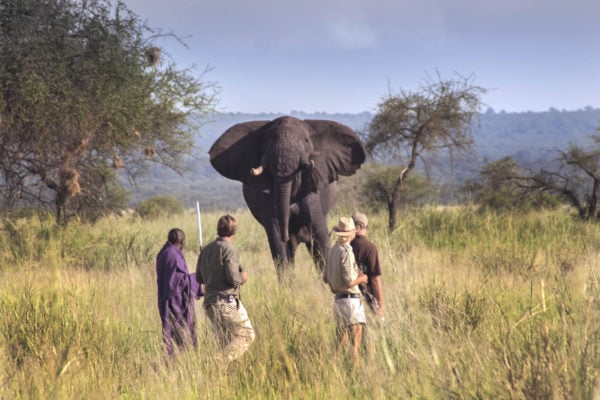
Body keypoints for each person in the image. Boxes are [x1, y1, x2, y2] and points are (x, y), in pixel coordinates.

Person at [196, 214, 255, 362]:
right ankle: (216, 362)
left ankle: (220, 375)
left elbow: (199, 278)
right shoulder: (229, 249)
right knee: (246, 335)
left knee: (224, 341)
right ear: (234, 232)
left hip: (210, 303)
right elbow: (233, 278)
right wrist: (243, 278)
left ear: (218, 229)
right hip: (226, 302)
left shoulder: (206, 250)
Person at [323, 217, 368, 366]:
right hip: (351, 302)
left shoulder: (331, 251)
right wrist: (362, 278)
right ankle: (355, 379)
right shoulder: (347, 252)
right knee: (354, 347)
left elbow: (325, 278)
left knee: (339, 345)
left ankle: (329, 371)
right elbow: (349, 281)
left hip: (338, 301)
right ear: (350, 234)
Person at [156, 228, 203, 356]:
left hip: (166, 300)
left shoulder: (164, 252)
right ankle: (179, 362)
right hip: (175, 302)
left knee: (174, 334)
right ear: (182, 241)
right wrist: (198, 278)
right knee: (180, 334)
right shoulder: (173, 255)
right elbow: (178, 282)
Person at [351, 212, 384, 321]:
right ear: (367, 227)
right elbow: (374, 279)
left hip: (344, 297)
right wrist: (380, 305)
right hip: (365, 299)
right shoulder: (370, 248)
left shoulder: (345, 246)